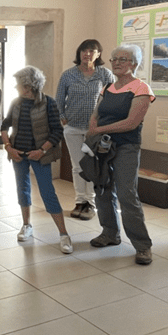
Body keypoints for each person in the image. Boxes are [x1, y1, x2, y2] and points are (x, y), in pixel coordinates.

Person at [87, 43, 155, 265]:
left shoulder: (141, 88)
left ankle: (142, 246)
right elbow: (96, 113)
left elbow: (131, 123)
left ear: (134, 64)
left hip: (126, 147)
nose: (116, 63)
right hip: (102, 147)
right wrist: (94, 128)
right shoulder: (107, 88)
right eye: (114, 59)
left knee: (127, 195)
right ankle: (109, 233)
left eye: (123, 59)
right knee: (102, 190)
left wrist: (100, 129)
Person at [0, 66, 72, 254]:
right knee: (22, 189)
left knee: (48, 192)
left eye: (18, 84)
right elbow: (4, 126)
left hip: (40, 155)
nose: (16, 87)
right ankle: (26, 225)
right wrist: (8, 148)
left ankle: (64, 234)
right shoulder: (16, 103)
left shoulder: (48, 103)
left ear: (28, 86)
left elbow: (57, 131)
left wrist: (41, 151)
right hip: (18, 155)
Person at [55, 39, 115, 221]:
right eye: (84, 50)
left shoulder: (105, 74)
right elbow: (59, 99)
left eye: (91, 51)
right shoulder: (68, 75)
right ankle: (80, 201)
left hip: (95, 129)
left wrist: (105, 122)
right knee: (77, 166)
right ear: (79, 53)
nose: (87, 54)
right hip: (73, 127)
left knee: (92, 165)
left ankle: (91, 203)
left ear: (98, 54)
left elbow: (112, 99)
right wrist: (62, 116)